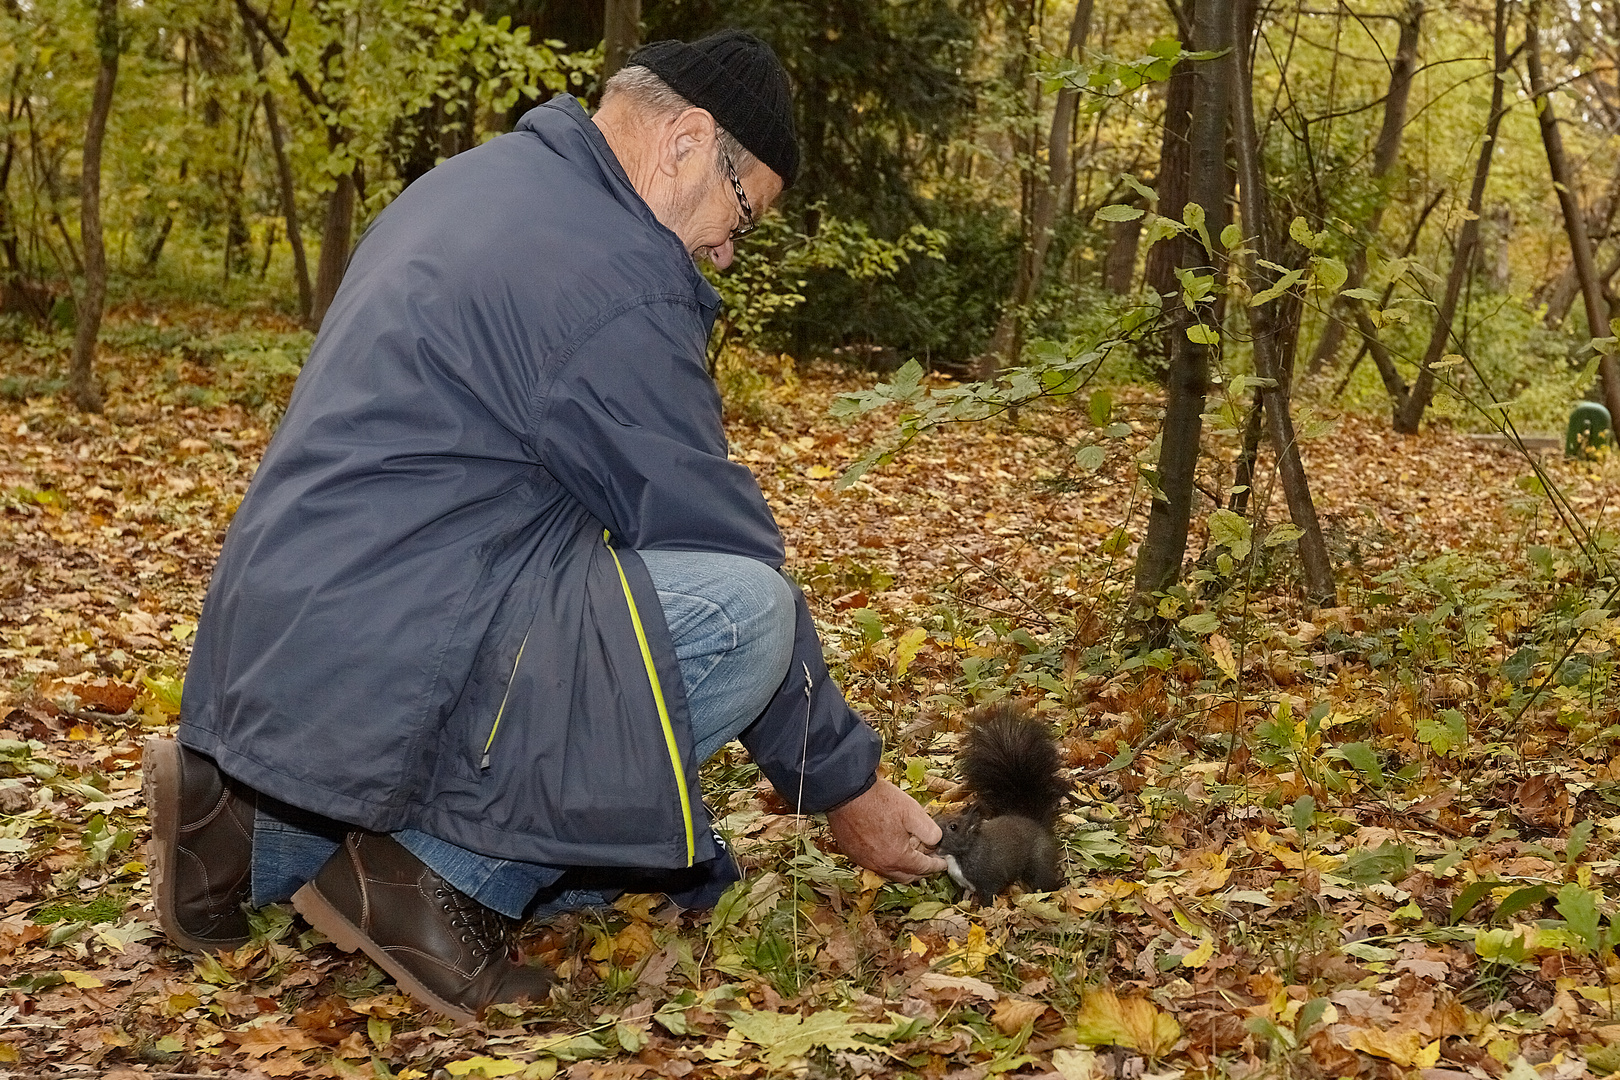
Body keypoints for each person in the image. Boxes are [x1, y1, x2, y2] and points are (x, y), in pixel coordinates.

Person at [142, 29, 945, 1024]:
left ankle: (240, 833)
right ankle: (434, 882)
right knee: (745, 613)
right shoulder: (616, 277)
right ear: (690, 141)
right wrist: (846, 786)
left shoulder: (476, 182)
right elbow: (720, 542)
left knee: (567, 600)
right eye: (747, 213)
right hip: (399, 631)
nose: (730, 248)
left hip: (283, 643)